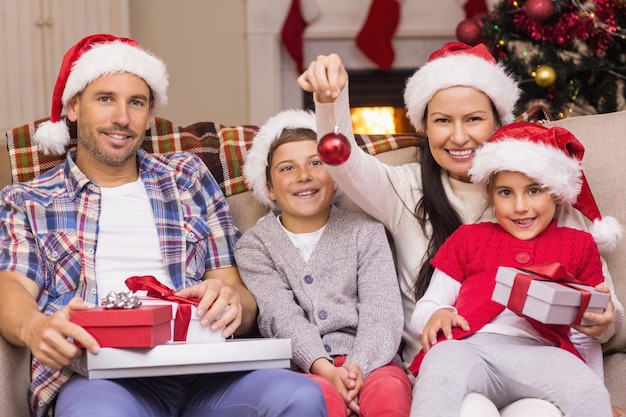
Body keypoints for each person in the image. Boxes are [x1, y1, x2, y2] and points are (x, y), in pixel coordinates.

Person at [0, 34, 326, 417]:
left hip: (209, 374)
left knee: (300, 397)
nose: (122, 118)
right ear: (73, 107)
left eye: (136, 102)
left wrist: (234, 303)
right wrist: (34, 328)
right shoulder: (28, 200)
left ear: (150, 114)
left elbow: (236, 288)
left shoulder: (188, 178)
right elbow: (12, 287)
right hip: (103, 380)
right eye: (105, 99)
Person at [297, 42, 624, 416]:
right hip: (453, 367)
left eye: (473, 119)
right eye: (442, 121)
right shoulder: (403, 190)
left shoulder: (549, 196)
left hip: (540, 364)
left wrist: (602, 324)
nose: (458, 137)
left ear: (499, 123)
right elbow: (343, 161)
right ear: (422, 126)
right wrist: (329, 101)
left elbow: (604, 310)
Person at [408, 122, 620, 416]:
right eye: (506, 193)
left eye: (534, 190)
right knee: (440, 366)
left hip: (542, 355)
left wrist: (598, 393)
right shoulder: (470, 237)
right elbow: (426, 308)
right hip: (471, 348)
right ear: (491, 194)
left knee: (585, 391)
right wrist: (437, 314)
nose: (520, 206)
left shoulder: (578, 244)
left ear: (556, 194)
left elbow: (586, 335)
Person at [234, 109, 412, 417]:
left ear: (336, 179)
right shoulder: (254, 245)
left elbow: (382, 312)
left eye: (316, 163)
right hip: (300, 368)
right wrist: (323, 368)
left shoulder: (366, 232)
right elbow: (280, 316)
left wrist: (358, 367)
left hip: (373, 361)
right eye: (287, 168)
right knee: (318, 400)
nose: (304, 175)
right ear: (270, 189)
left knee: (389, 394)